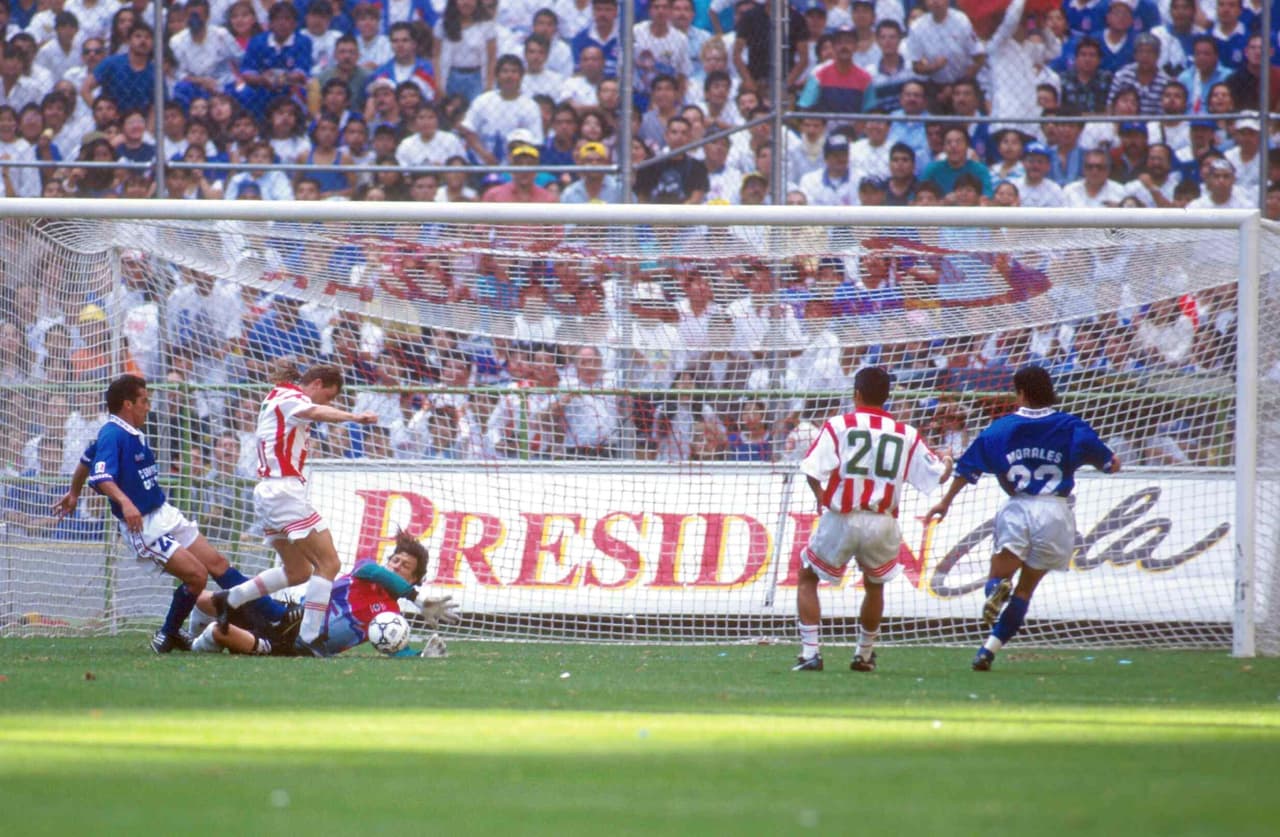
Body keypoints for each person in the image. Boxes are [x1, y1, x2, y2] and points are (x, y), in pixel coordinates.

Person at [925, 365, 1120, 671]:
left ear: (1020, 393)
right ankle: (988, 650)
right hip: (1056, 510)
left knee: (999, 574)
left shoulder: (1000, 429)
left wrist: (945, 503)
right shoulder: (1072, 426)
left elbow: (967, 469)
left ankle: (994, 591)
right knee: (1026, 590)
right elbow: (1112, 464)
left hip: (1019, 506)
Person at [52, 374, 265, 654]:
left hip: (163, 512)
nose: (148, 406)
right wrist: (125, 503)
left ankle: (266, 615)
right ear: (128, 404)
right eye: (144, 401)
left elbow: (86, 460)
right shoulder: (113, 433)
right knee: (197, 576)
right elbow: (102, 476)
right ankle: (167, 634)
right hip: (145, 526)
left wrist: (74, 492)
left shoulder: (126, 431)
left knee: (217, 562)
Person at [210, 361, 379, 657]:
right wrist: (353, 416)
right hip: (283, 490)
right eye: (329, 396)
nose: (327, 403)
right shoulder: (294, 398)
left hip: (268, 491)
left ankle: (230, 598)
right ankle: (309, 637)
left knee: (299, 570)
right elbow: (315, 411)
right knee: (330, 564)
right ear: (317, 384)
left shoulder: (274, 396)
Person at [792, 366, 951, 672]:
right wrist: (946, 460)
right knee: (875, 585)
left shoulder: (839, 425)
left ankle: (811, 653)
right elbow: (938, 476)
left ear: (857, 394)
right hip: (883, 521)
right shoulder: (906, 433)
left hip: (844, 516)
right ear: (887, 396)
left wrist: (821, 498)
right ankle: (864, 654)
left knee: (807, 576)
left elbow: (811, 469)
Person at [193, 530, 459, 657]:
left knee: (220, 632)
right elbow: (375, 572)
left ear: (414, 579)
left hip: (297, 649)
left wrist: (420, 658)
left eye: (405, 567)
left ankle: (197, 645)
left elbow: (393, 647)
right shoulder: (366, 569)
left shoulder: (392, 616)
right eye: (395, 560)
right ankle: (189, 635)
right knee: (205, 599)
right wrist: (415, 596)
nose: (396, 566)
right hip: (287, 615)